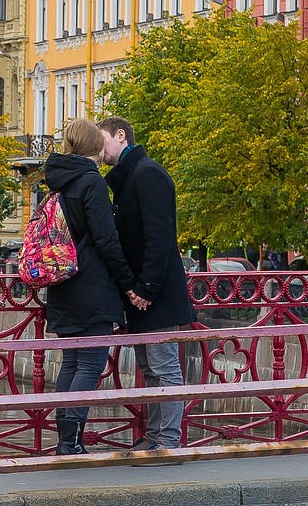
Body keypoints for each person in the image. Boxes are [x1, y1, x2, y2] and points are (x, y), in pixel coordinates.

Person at [97, 116, 196, 452]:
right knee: (151, 370)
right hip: (141, 293)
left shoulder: (147, 173)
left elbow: (160, 236)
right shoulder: (131, 176)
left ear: (121, 135)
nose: (100, 149)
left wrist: (146, 288)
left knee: (165, 370)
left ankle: (168, 442)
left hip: (155, 294)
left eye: (103, 140)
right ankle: (155, 438)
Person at [43, 119, 136, 455]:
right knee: (90, 365)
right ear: (95, 146)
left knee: (71, 363)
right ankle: (72, 441)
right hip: (91, 287)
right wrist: (127, 282)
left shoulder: (56, 181)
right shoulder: (90, 182)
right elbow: (106, 239)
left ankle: (65, 441)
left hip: (62, 286)